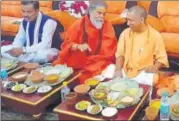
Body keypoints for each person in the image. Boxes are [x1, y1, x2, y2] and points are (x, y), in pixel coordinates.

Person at [53, 0, 117, 84]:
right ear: (90, 11)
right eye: (99, 13)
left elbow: (109, 48)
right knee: (58, 69)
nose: (102, 16)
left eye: (104, 14)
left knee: (110, 70)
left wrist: (93, 59)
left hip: (99, 61)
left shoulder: (107, 25)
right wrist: (77, 46)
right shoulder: (78, 24)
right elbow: (67, 44)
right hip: (79, 59)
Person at [115, 6, 169, 86]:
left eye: (131, 20)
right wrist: (118, 70)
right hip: (125, 70)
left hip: (143, 72)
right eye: (127, 20)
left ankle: (128, 82)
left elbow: (162, 58)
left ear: (141, 20)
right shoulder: (125, 33)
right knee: (108, 70)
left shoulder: (155, 35)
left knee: (153, 79)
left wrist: (155, 67)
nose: (127, 23)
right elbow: (120, 54)